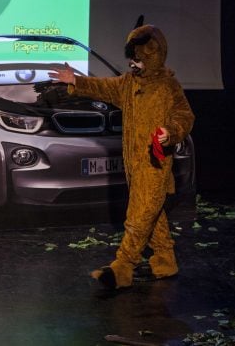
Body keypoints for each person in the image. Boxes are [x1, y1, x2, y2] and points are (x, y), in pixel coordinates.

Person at [48, 24, 195, 289]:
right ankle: (165, 260)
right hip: (133, 164)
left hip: (155, 164)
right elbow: (103, 87)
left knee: (138, 217)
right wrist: (76, 81)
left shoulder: (167, 86)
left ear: (152, 56)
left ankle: (123, 267)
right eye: (131, 58)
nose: (132, 64)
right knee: (153, 214)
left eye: (138, 59)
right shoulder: (128, 84)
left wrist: (170, 132)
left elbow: (185, 116)